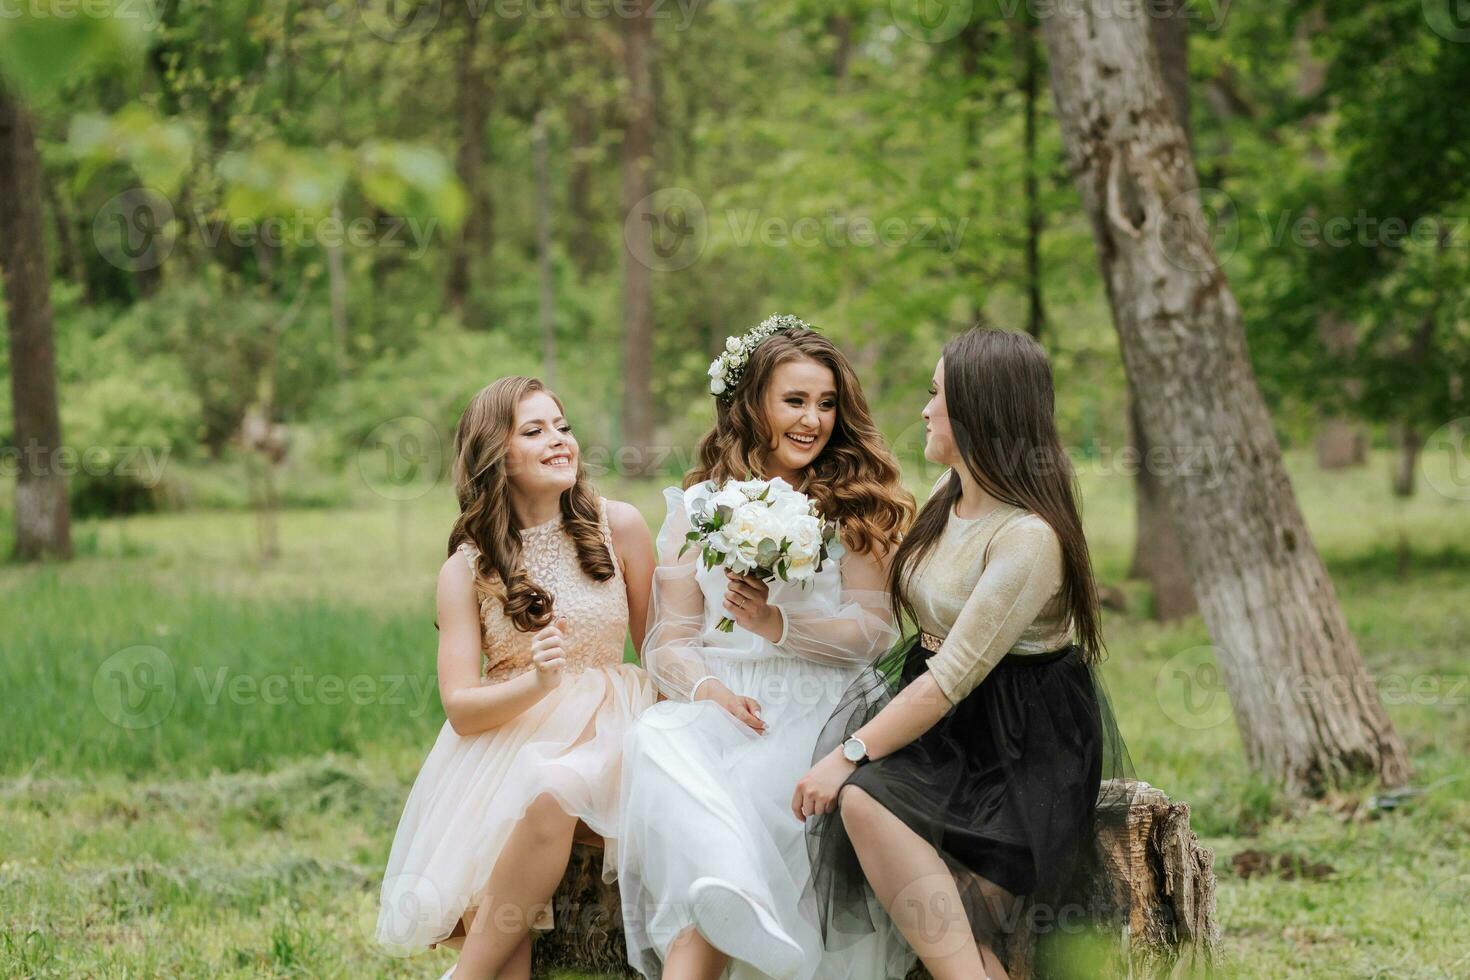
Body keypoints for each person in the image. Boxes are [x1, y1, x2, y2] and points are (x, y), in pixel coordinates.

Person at [794, 327, 1131, 980]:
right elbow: (924, 614)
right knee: (951, 928)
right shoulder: (949, 500)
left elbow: (953, 676)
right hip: (948, 727)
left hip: (1018, 743)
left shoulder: (1028, 538)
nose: (923, 409)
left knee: (869, 804)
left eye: (936, 395)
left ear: (979, 411)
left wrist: (848, 752)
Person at [617, 315, 916, 980]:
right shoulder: (697, 507)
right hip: (727, 701)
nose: (814, 420)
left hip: (820, 707)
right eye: (795, 401)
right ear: (753, 404)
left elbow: (872, 634)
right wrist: (707, 689)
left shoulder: (855, 504)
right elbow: (669, 639)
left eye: (828, 403)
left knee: (743, 803)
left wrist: (778, 625)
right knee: (655, 739)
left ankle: (739, 908)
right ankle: (741, 902)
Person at [376, 376, 659, 980]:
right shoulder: (467, 569)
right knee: (510, 935)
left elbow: (659, 643)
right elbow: (459, 705)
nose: (559, 441)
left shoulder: (620, 526)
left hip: (613, 724)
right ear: (494, 457)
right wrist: (535, 682)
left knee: (551, 790)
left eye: (563, 426)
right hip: (510, 733)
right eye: (534, 431)